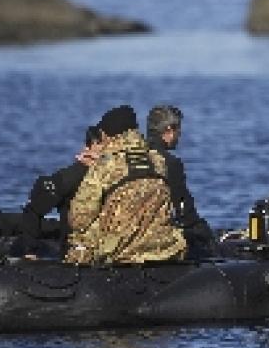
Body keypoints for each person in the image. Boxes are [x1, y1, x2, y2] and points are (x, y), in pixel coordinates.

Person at [65, 105, 186, 265]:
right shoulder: (158, 161)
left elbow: (78, 219)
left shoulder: (106, 165)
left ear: (105, 135)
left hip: (118, 252)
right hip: (161, 249)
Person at [144, 104, 215, 259]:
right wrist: (207, 235)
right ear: (169, 130)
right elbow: (185, 213)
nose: (180, 136)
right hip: (155, 241)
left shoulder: (130, 158)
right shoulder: (170, 163)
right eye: (179, 131)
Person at [19, 125, 105, 251]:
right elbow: (33, 210)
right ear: (88, 148)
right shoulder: (70, 177)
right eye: (103, 145)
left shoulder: (127, 175)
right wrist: (30, 250)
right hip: (77, 253)